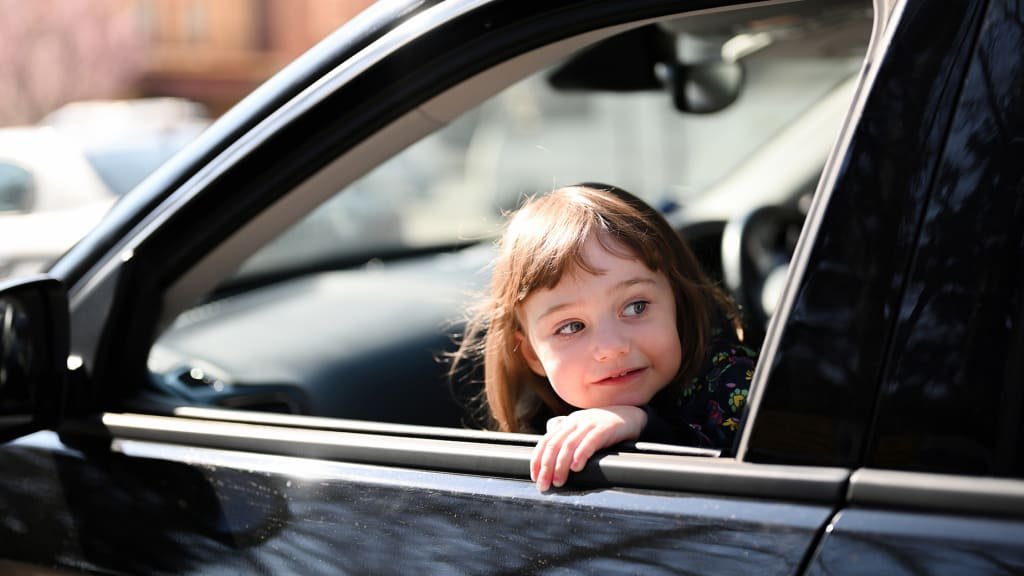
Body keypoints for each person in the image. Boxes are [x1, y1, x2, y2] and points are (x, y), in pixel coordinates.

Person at [451, 183, 756, 492]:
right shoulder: (538, 427)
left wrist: (644, 426)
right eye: (571, 327)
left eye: (636, 307)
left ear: (678, 305)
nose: (612, 347)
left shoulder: (737, 382)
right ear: (532, 354)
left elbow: (757, 470)